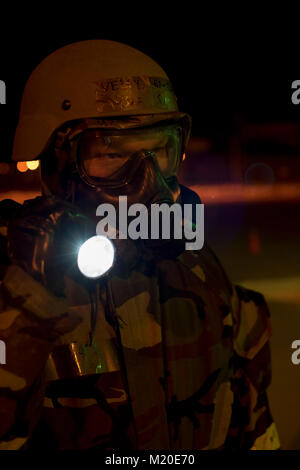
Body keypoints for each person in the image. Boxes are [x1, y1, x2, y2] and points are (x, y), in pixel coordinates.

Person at [0, 39, 280, 450]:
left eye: (158, 151)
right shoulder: (13, 279)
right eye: (113, 155)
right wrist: (28, 304)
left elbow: (252, 430)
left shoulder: (202, 273)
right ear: (55, 159)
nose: (147, 182)